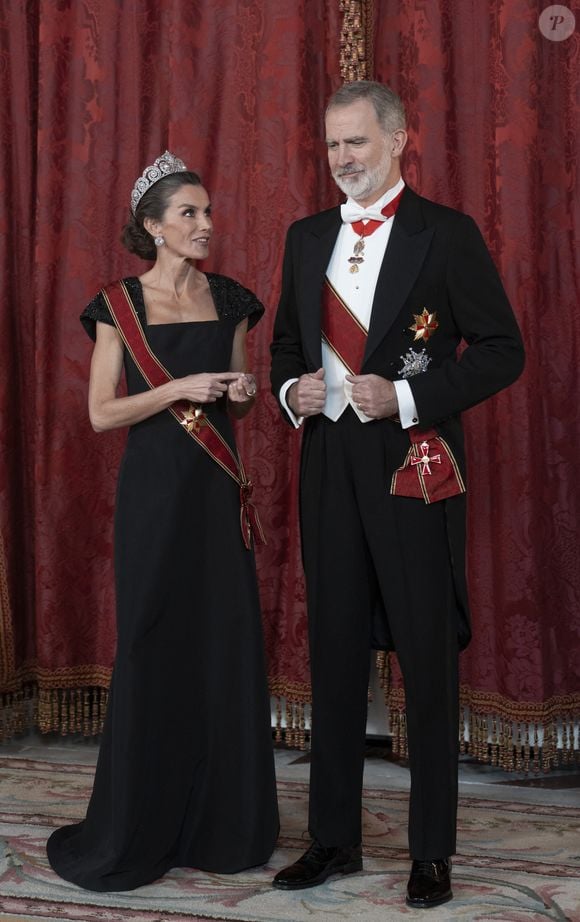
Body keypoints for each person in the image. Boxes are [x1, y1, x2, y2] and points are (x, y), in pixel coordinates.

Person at [270, 81, 524, 908]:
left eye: (358, 143)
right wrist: (290, 393)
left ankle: (432, 851)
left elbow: (500, 350)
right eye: (333, 145)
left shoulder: (445, 235)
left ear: (398, 140)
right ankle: (334, 838)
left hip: (414, 462)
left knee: (423, 655)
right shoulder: (305, 238)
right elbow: (282, 348)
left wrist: (408, 399)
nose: (344, 159)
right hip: (329, 466)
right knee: (335, 651)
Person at [47, 152, 279, 891]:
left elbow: (239, 406)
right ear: (153, 227)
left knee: (223, 648)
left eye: (208, 213)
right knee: (154, 644)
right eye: (189, 214)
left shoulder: (233, 300)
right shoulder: (117, 305)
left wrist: (241, 390)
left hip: (216, 497)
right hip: (154, 501)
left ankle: (225, 825)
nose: (206, 225)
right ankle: (138, 821)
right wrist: (177, 385)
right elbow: (101, 413)